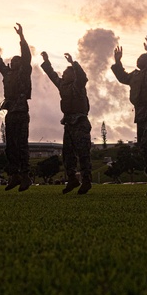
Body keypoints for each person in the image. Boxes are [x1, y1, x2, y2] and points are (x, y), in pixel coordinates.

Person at [111, 37, 147, 195]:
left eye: (144, 57)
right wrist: (118, 62)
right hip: (142, 117)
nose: (140, 58)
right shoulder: (135, 76)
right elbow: (122, 77)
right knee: (146, 149)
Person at [0, 23, 33, 191]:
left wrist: (21, 37)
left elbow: (27, 56)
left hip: (21, 111)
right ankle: (14, 175)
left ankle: (26, 176)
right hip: (10, 113)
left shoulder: (24, 72)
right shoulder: (7, 73)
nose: (13, 63)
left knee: (21, 145)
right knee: (10, 146)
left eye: (16, 61)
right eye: (12, 61)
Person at [41, 51, 93, 194]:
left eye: (65, 73)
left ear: (73, 75)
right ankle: (72, 179)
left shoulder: (79, 85)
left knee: (83, 153)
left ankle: (87, 181)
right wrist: (46, 61)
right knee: (67, 154)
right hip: (69, 124)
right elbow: (52, 75)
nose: (62, 75)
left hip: (80, 122)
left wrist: (73, 63)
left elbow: (83, 76)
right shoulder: (63, 86)